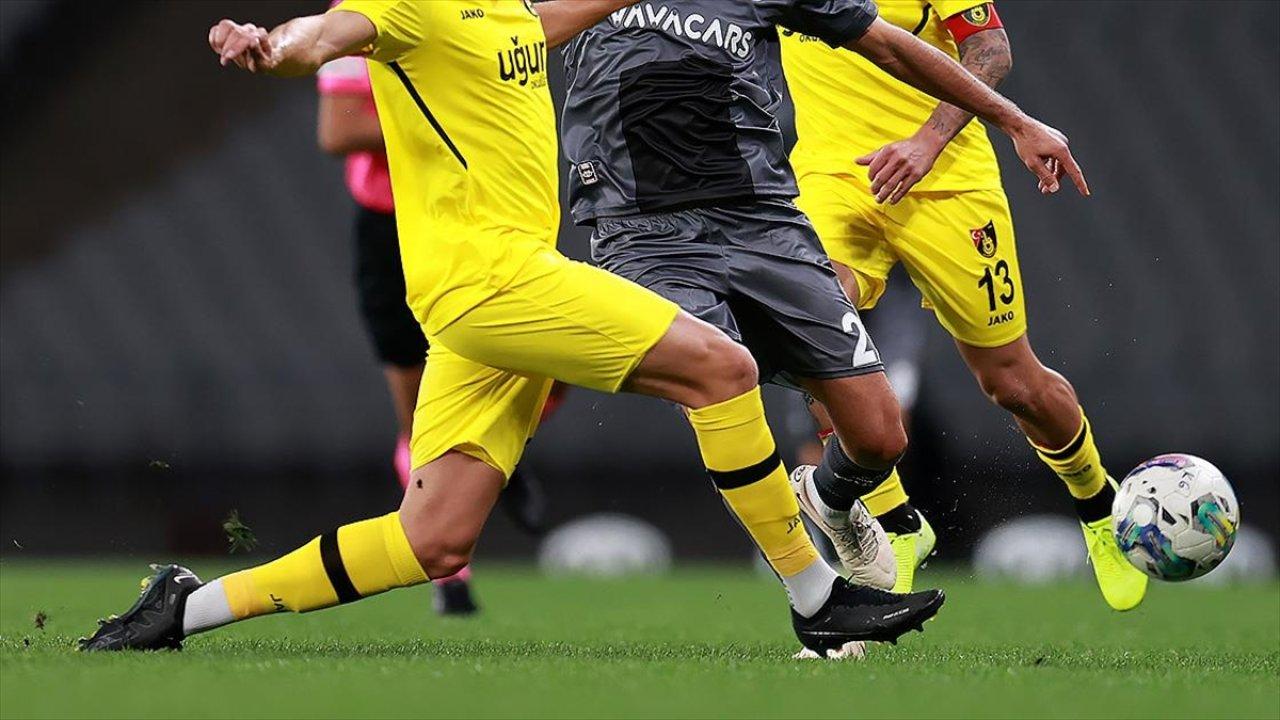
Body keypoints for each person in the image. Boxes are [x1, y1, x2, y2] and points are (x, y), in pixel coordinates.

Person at [78, 0, 948, 659]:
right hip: (488, 282)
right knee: (721, 368)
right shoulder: (408, 5)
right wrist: (273, 46)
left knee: (432, 539)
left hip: (496, 296)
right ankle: (815, 596)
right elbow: (322, 35)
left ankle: (185, 606)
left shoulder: (513, 13)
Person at [554, 0, 1086, 599]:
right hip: (652, 227)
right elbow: (508, 39)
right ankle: (818, 586)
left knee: (894, 430)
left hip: (769, 218)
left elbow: (893, 45)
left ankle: (846, 502)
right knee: (717, 374)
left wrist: (1015, 121)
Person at [780, 1, 1147, 608]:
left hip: (946, 179)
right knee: (806, 329)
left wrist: (926, 142)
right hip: (831, 178)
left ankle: (1097, 502)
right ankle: (895, 523)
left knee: (1012, 383)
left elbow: (990, 50)